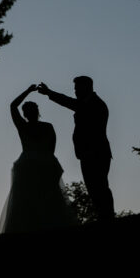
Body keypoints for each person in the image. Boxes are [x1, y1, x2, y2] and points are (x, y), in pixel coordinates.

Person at [0, 84, 77, 234]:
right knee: (48, 198)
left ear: (25, 114)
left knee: (25, 200)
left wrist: (28, 91)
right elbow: (51, 149)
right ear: (37, 112)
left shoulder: (23, 126)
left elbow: (13, 106)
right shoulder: (48, 127)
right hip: (46, 163)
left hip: (27, 165)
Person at [37, 76, 115, 220]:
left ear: (87, 87)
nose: (75, 91)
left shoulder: (95, 104)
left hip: (96, 153)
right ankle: (104, 216)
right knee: (94, 188)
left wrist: (49, 93)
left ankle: (108, 217)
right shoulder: (87, 103)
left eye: (77, 88)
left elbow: (70, 103)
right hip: (87, 153)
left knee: (100, 187)